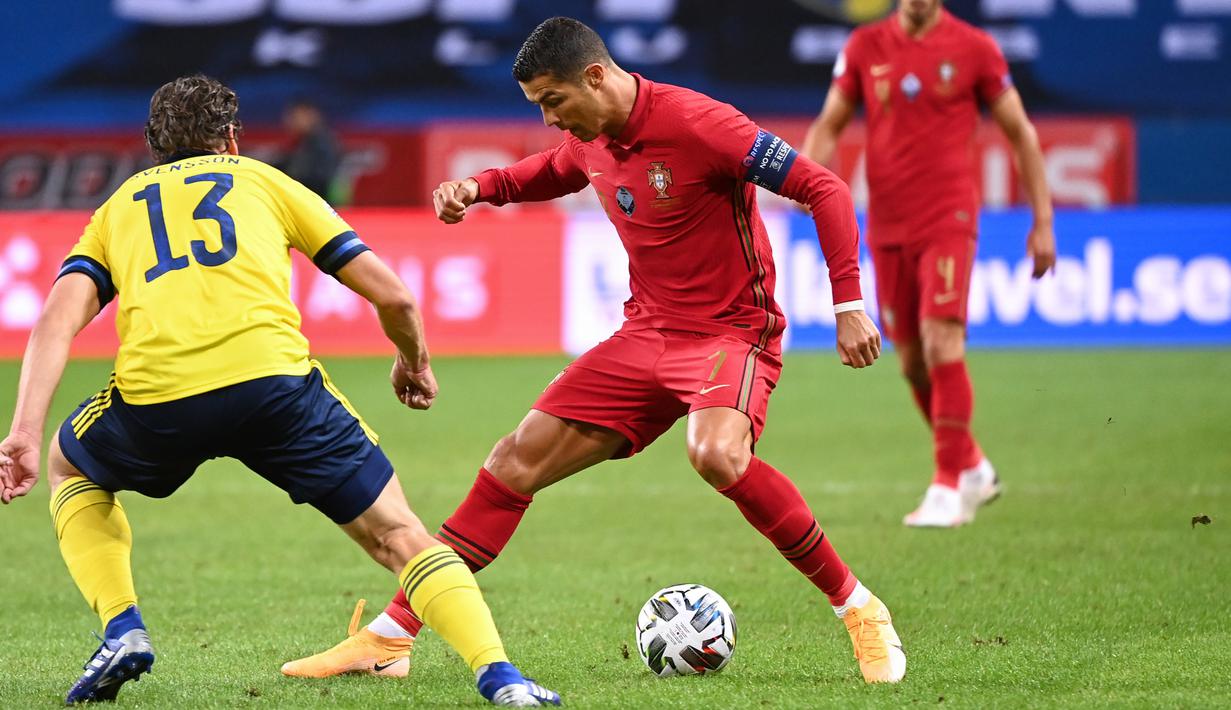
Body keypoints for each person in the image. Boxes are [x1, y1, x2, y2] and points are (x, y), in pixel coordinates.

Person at [283, 17, 905, 685]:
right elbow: (552, 171)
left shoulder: (700, 123)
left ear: (596, 76)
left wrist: (847, 306)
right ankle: (390, 637)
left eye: (552, 100)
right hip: (644, 335)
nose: (550, 118)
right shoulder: (591, 137)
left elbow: (824, 188)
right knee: (513, 462)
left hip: (730, 332)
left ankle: (859, 608)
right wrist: (481, 188)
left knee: (716, 453)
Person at [0, 75, 559, 707]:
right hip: (275, 391)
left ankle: (122, 628)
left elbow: (56, 319)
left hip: (160, 400)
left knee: (68, 462)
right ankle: (500, 677)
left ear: (155, 148)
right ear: (231, 139)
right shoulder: (265, 181)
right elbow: (394, 295)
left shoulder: (120, 207)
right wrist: (413, 361)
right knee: (399, 535)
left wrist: (22, 430)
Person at [801, 0, 1056, 528]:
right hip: (887, 222)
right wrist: (805, 177)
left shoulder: (976, 49)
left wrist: (1043, 221)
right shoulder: (864, 47)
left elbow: (1021, 133)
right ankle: (973, 467)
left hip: (948, 216)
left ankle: (947, 487)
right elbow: (829, 124)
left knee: (943, 340)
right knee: (913, 362)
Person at [279, 98, 341, 200]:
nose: (289, 121)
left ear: (311, 116)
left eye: (295, 117)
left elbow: (320, 179)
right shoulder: (302, 141)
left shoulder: (322, 143)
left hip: (318, 202)